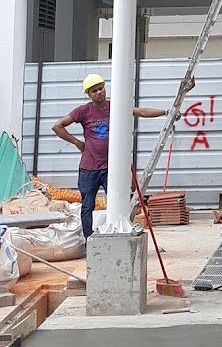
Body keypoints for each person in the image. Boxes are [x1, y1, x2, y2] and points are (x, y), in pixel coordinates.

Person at [52, 74, 168, 239]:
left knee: (119, 205)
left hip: (111, 168)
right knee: (87, 207)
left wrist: (165, 112)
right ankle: (89, 240)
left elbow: (141, 111)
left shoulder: (115, 107)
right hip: (89, 168)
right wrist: (77, 142)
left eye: (101, 88)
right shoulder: (83, 111)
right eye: (94, 91)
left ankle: (121, 236)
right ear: (89, 94)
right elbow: (57, 126)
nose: (99, 92)